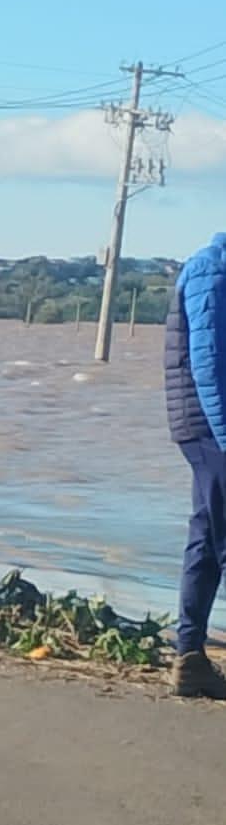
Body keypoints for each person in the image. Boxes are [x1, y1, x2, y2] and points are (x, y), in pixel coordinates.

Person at [166, 232, 226, 697]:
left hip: (209, 427)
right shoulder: (211, 270)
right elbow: (208, 365)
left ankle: (190, 656)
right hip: (209, 425)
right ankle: (189, 653)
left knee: (208, 533)